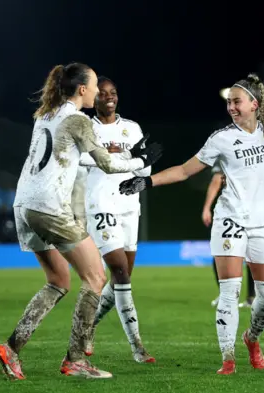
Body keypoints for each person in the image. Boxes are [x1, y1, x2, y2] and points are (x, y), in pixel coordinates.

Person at [0, 63, 161, 380]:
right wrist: (141, 160)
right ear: (82, 89)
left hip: (24, 206)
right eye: (96, 86)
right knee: (96, 276)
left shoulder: (47, 114)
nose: (99, 92)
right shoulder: (78, 120)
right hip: (49, 207)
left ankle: (12, 349)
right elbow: (108, 164)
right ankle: (75, 359)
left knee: (59, 281)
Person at [120, 74, 264, 375]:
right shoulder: (220, 139)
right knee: (230, 291)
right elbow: (184, 170)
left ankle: (252, 338)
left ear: (254, 104)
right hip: (230, 219)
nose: (231, 107)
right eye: (229, 102)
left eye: (237, 101)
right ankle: (228, 359)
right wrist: (147, 181)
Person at [77, 77, 155, 363]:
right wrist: (121, 156)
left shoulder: (131, 128)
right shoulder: (86, 127)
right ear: (94, 99)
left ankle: (87, 327)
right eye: (103, 94)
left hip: (129, 206)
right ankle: (137, 346)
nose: (109, 98)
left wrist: (129, 160)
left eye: (113, 93)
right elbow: (82, 159)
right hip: (100, 205)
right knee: (120, 273)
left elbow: (144, 167)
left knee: (122, 277)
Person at [202, 163, 256, 308]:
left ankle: (230, 295)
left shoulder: (225, 145)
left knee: (223, 251)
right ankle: (250, 296)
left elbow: (216, 179)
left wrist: (207, 207)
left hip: (235, 211)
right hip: (249, 209)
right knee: (250, 253)